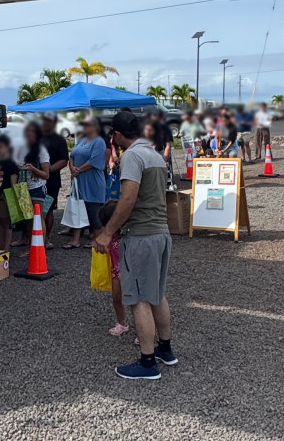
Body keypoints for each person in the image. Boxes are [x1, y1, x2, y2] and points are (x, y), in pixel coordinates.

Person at [95, 111, 177, 380]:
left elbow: (128, 199)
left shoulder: (131, 156)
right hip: (161, 232)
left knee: (138, 299)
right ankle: (165, 349)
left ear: (118, 136)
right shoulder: (155, 154)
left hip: (140, 235)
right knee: (156, 293)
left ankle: (147, 362)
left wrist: (107, 232)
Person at [67, 116, 107, 250]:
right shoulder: (82, 140)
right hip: (79, 180)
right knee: (78, 209)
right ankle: (75, 240)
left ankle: (97, 239)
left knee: (93, 212)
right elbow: (72, 156)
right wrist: (72, 168)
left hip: (92, 181)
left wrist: (78, 170)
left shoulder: (99, 142)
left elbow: (93, 161)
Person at [97, 200, 129, 337]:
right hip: (116, 271)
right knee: (116, 297)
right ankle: (122, 323)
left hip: (132, 271)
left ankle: (143, 328)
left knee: (137, 301)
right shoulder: (109, 237)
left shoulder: (129, 236)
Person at [19, 121, 51, 248]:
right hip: (23, 187)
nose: (29, 134)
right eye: (27, 131)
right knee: (28, 218)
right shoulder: (22, 149)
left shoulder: (41, 150)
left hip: (37, 187)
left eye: (32, 131)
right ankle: (32, 247)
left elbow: (46, 174)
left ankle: (41, 248)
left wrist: (33, 169)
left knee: (38, 217)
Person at [39, 113, 70, 248]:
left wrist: (49, 169)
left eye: (49, 121)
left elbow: (64, 160)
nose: (46, 123)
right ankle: (26, 237)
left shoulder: (59, 140)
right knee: (31, 210)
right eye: (44, 120)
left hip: (51, 180)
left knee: (48, 209)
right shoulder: (36, 137)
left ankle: (46, 239)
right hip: (33, 180)